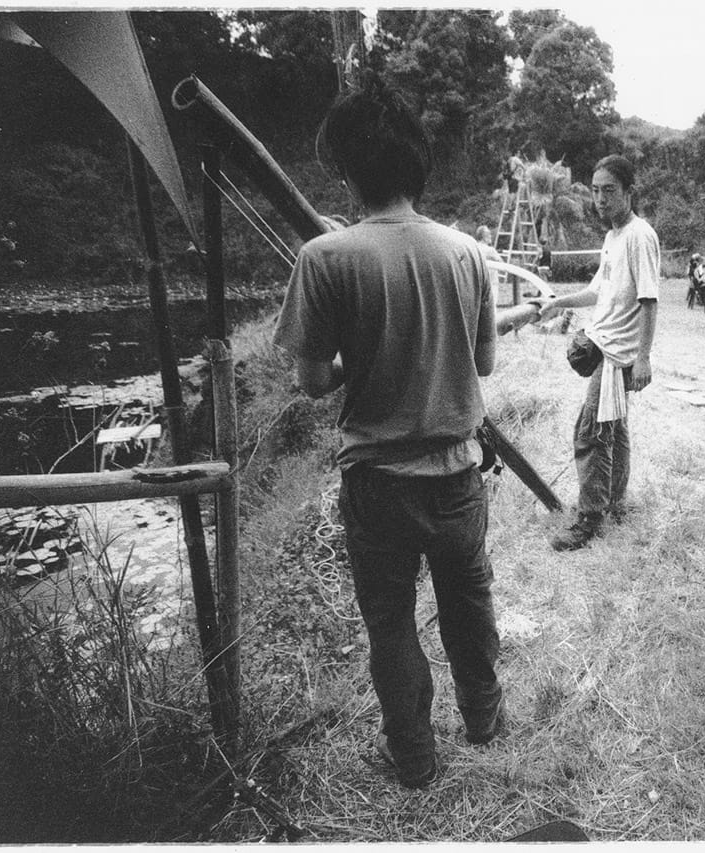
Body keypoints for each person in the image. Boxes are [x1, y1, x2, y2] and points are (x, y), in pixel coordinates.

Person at [273, 74, 502, 790]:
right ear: (417, 162)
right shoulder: (467, 252)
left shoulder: (325, 258)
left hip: (376, 484)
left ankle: (414, 756)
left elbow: (313, 380)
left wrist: (360, 355)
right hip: (460, 473)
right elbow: (484, 360)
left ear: (347, 170)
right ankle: (486, 719)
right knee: (468, 604)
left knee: (392, 623)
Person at [538, 154, 659, 551]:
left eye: (610, 191)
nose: (601, 199)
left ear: (629, 193)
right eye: (596, 191)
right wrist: (558, 302)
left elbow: (649, 301)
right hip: (604, 348)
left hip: (616, 356)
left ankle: (588, 520)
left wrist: (642, 358)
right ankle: (617, 504)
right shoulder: (612, 237)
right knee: (616, 432)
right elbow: (598, 291)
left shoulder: (639, 235)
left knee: (589, 433)